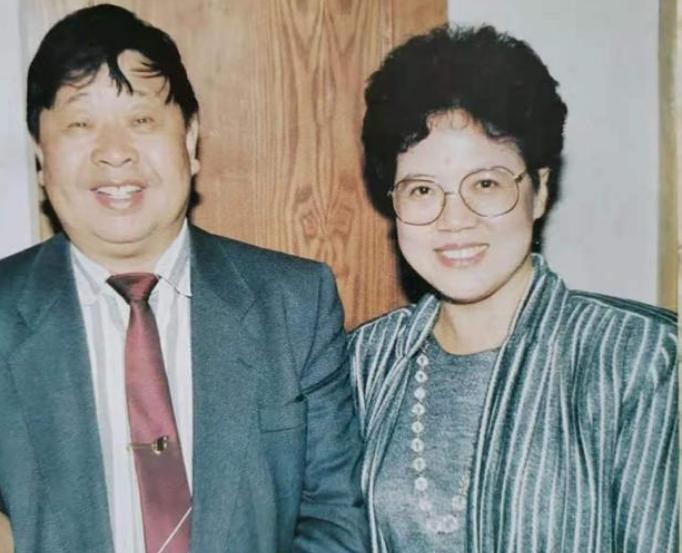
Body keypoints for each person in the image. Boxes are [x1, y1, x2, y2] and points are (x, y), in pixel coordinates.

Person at [0, 4, 368, 552]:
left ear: (191, 140)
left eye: (142, 120)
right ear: (40, 154)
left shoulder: (294, 304)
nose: (115, 153)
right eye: (80, 124)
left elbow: (336, 524)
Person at [349, 24, 678, 553]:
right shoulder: (363, 364)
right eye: (423, 189)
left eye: (486, 184)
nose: (455, 220)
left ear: (540, 190)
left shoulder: (643, 360)